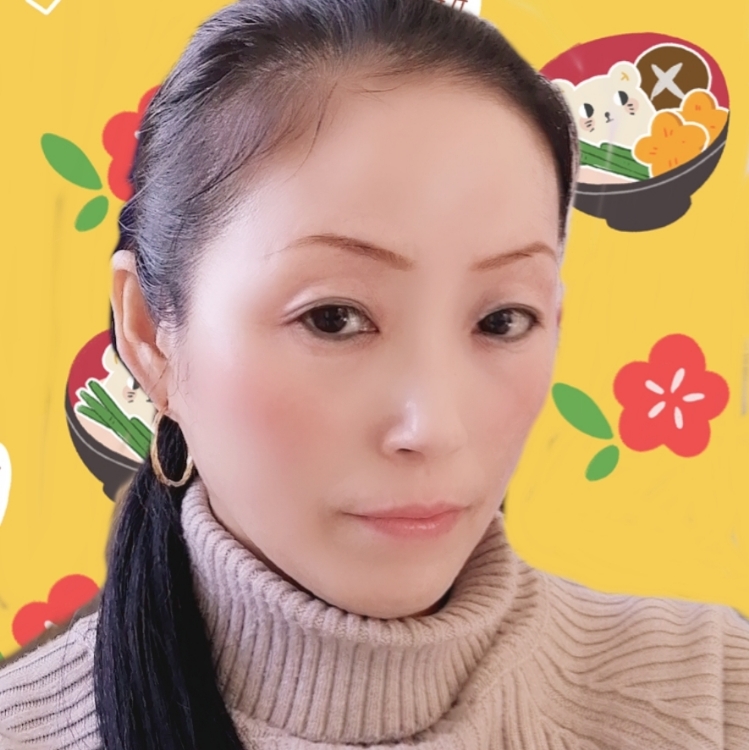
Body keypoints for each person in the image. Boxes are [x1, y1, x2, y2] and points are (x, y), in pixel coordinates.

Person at [1, 0, 748, 747]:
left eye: (501, 321)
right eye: (333, 318)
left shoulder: (714, 692)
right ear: (148, 334)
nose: (434, 428)